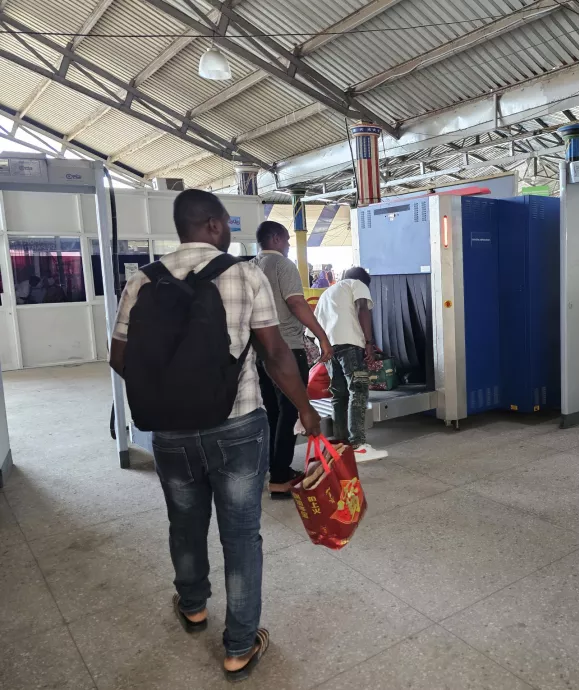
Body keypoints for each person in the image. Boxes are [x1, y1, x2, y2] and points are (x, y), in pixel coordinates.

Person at [108, 189, 322, 681]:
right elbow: (275, 354)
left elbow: (119, 358)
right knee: (241, 534)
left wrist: (168, 393)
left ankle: (194, 605)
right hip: (238, 426)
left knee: (184, 522)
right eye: (225, 222)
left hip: (171, 435)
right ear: (209, 225)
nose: (228, 231)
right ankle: (239, 645)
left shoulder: (142, 281)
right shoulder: (244, 274)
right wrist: (304, 410)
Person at [252, 221, 334, 499]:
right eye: (287, 240)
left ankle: (276, 469)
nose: (288, 245)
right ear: (275, 239)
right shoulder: (283, 266)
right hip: (286, 348)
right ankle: (279, 477)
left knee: (273, 412)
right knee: (291, 412)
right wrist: (322, 336)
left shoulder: (252, 265)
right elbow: (297, 303)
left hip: (259, 352)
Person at [313, 266, 388, 461]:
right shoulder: (357, 284)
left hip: (328, 348)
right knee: (359, 390)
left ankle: (341, 445)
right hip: (350, 345)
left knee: (339, 394)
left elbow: (313, 326)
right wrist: (369, 343)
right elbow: (363, 309)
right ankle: (358, 445)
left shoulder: (327, 293)